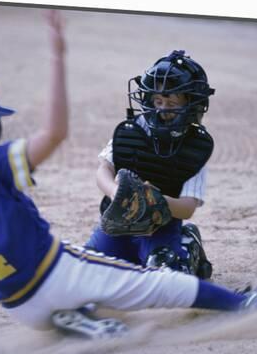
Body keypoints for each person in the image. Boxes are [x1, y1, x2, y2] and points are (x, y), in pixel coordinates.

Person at [0, 11, 257, 348]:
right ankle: (242, 303)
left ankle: (80, 318)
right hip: (59, 273)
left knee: (122, 271)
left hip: (19, 306)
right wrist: (58, 57)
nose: (162, 108)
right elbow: (58, 133)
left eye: (171, 101)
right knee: (156, 284)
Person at [86, 50, 215, 279]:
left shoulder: (195, 146)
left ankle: (189, 245)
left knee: (166, 279)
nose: (162, 109)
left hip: (161, 229)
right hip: (118, 224)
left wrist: (149, 199)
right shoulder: (134, 129)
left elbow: (187, 207)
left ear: (191, 105)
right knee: (87, 271)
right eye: (157, 100)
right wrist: (119, 193)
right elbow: (103, 170)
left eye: (172, 102)